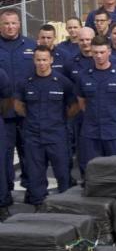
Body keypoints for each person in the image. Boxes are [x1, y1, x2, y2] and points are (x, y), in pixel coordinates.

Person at [14, 45, 77, 208]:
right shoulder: (25, 82)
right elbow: (18, 106)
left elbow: (74, 106)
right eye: (38, 60)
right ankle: (39, 206)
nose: (41, 63)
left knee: (63, 173)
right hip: (33, 136)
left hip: (57, 135)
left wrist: (60, 120)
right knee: (35, 175)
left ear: (51, 60)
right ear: (33, 61)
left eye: (44, 60)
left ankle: (65, 206)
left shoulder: (63, 82)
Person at [76, 35, 116, 173]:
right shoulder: (84, 75)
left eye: (102, 52)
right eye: (95, 52)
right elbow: (82, 103)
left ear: (109, 52)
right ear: (91, 52)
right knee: (92, 172)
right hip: (92, 132)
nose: (98, 56)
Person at [0, 11, 35, 203]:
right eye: (5, 24)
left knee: (29, 153)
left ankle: (32, 192)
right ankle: (5, 195)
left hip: (26, 111)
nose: (10, 27)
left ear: (19, 24)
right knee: (4, 156)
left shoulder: (31, 46)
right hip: (4, 113)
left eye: (13, 23)